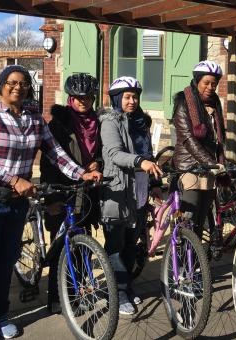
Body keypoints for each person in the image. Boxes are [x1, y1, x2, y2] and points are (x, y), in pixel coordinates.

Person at [0, 65, 102, 340]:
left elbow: (56, 153)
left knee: (7, 260)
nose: (18, 87)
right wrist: (14, 180)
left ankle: (1, 316)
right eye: (12, 82)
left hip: (17, 199)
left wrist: (82, 172)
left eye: (24, 83)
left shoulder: (33, 118)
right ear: (2, 86)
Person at [99, 76, 163, 315]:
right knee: (115, 245)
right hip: (117, 190)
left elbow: (150, 153)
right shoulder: (109, 121)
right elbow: (114, 153)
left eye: (135, 96)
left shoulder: (141, 122)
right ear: (117, 98)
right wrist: (140, 161)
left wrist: (155, 182)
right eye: (126, 97)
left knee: (130, 244)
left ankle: (126, 286)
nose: (132, 101)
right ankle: (117, 292)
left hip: (139, 191)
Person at [39, 73, 102, 313]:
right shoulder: (58, 124)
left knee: (83, 243)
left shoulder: (97, 121)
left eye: (87, 97)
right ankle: (57, 298)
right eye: (78, 97)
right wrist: (51, 199)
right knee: (60, 247)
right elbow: (49, 162)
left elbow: (101, 152)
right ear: (70, 98)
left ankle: (79, 292)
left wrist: (98, 163)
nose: (83, 101)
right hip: (61, 190)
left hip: (86, 190)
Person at [172, 60, 226, 239]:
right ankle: (179, 259)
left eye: (214, 84)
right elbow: (187, 138)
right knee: (189, 218)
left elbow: (219, 139)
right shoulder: (184, 101)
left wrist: (220, 162)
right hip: (190, 167)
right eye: (206, 83)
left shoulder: (215, 103)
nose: (210, 87)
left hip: (209, 168)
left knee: (202, 217)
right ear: (197, 81)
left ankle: (195, 259)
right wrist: (212, 163)